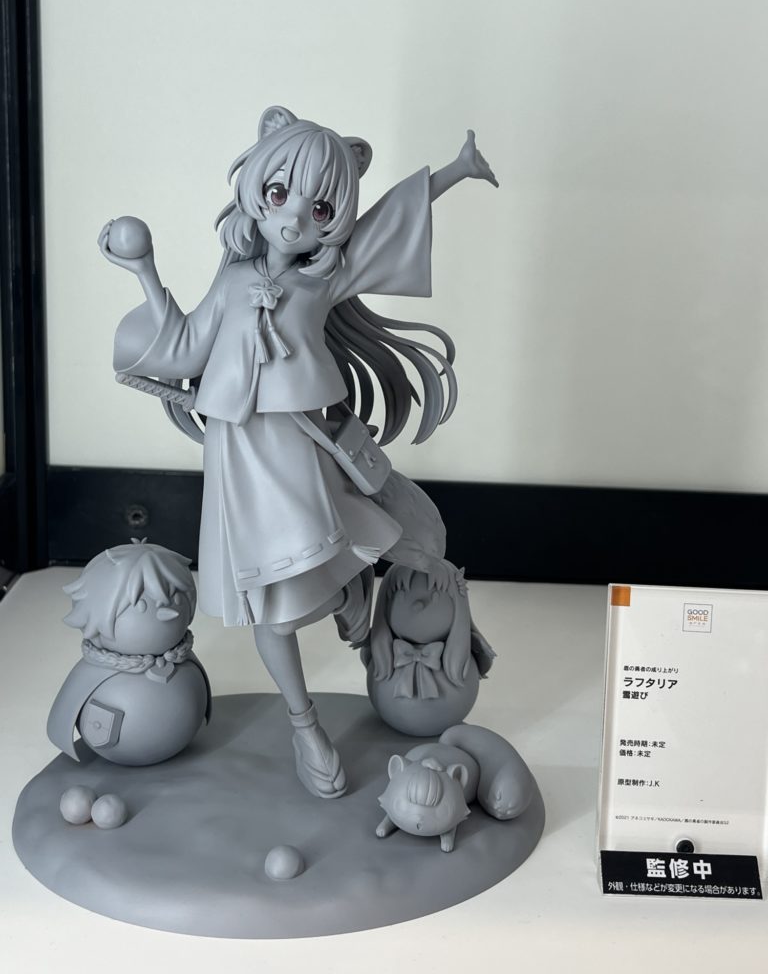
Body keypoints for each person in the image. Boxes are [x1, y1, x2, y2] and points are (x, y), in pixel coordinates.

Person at [99, 105, 497, 798]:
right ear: (255, 187)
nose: (293, 220)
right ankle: (304, 724)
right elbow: (185, 349)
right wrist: (144, 270)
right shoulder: (231, 284)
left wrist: (454, 172)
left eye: (320, 209)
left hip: (304, 447)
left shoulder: (323, 281)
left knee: (353, 544)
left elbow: (386, 223)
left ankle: (348, 592)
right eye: (279, 194)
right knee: (268, 607)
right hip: (241, 458)